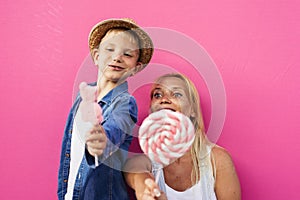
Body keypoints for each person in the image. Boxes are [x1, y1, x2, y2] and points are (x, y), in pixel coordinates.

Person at [58, 18, 154, 200]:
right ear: (96, 56)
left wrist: (101, 141)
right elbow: (70, 158)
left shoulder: (125, 103)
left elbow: (114, 131)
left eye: (127, 54)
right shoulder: (82, 98)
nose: (117, 57)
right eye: (110, 49)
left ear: (136, 68)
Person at [123, 73, 241, 200]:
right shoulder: (141, 163)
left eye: (177, 94)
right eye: (157, 94)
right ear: (151, 109)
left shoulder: (217, 160)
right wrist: (145, 188)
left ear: (192, 111)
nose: (164, 99)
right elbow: (137, 176)